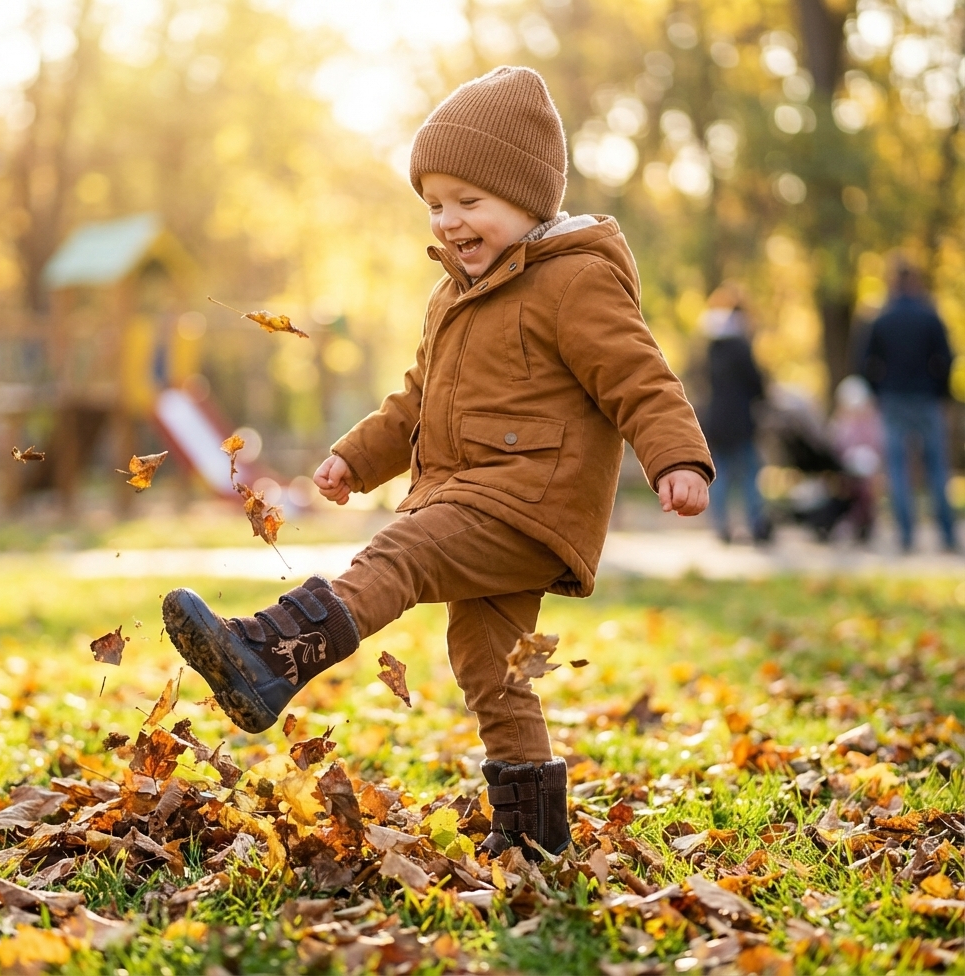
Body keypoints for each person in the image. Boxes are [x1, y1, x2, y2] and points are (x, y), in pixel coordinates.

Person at [161, 66, 713, 861]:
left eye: (470, 202)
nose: (449, 221)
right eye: (435, 204)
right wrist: (357, 457)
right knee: (494, 670)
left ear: (530, 199)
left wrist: (677, 458)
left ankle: (271, 653)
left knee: (404, 553)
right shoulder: (450, 295)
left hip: (526, 502)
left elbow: (639, 376)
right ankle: (533, 838)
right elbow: (416, 401)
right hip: (470, 497)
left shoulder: (577, 280)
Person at [860, 256, 957, 552]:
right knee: (936, 467)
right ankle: (948, 536)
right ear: (915, 281)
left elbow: (865, 363)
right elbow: (947, 358)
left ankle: (905, 536)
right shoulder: (930, 317)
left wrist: (879, 390)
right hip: (926, 398)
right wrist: (939, 391)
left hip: (894, 399)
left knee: (898, 468)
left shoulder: (881, 320)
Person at [698, 284, 771, 544]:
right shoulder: (741, 347)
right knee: (750, 471)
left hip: (717, 420)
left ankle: (721, 525)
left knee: (723, 474)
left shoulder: (713, 349)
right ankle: (756, 522)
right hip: (740, 420)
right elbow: (756, 384)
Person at [828, 375, 883, 542]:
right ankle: (851, 519)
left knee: (864, 485)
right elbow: (836, 444)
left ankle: (863, 520)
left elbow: (878, 445)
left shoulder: (872, 422)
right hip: (846, 465)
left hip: (866, 466)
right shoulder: (840, 422)